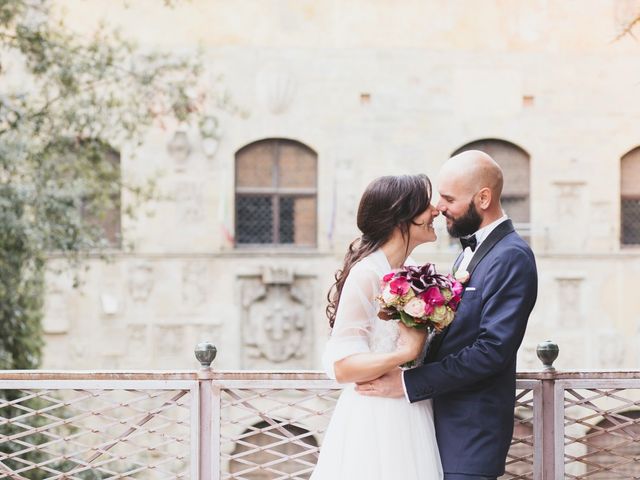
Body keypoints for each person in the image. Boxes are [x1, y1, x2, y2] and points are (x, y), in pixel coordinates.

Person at [357, 150, 538, 480]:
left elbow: (492, 350)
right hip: (433, 426)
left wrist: (409, 383)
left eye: (448, 198)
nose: (438, 207)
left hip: (469, 437)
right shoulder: (468, 254)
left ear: (483, 198)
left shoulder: (512, 256)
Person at [311, 174, 443, 480]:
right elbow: (342, 366)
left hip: (411, 411)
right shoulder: (367, 274)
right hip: (376, 419)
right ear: (401, 218)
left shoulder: (405, 275)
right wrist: (405, 353)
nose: (435, 210)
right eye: (425, 205)